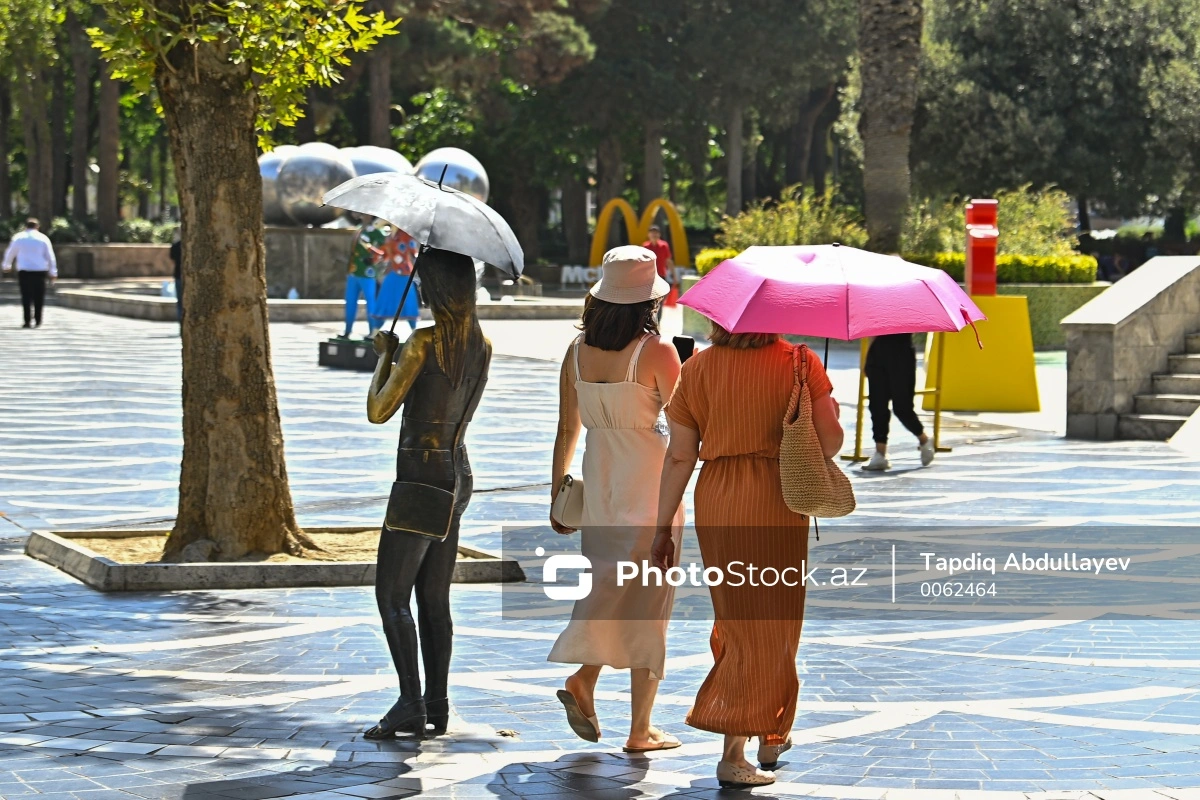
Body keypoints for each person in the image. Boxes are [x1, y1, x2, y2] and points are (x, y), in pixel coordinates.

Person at [650, 323, 843, 789]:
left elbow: (679, 456)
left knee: (738, 621)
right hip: (779, 497)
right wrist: (828, 407)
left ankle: (771, 728)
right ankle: (736, 753)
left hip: (719, 498)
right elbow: (830, 443)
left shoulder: (696, 369)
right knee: (777, 620)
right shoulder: (800, 362)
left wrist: (661, 528)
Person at [547, 245, 685, 753]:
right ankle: (638, 729)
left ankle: (587, 678)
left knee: (609, 589)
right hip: (649, 487)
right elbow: (687, 423)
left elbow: (567, 427)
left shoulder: (577, 352)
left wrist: (557, 491)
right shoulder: (657, 352)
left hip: (600, 487)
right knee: (648, 605)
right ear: (648, 301)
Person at [363, 248, 492, 740]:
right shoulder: (481, 345)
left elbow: (378, 411)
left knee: (392, 596)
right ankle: (436, 702)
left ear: (434, 288)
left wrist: (384, 359)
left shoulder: (422, 343)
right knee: (434, 598)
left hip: (419, 479)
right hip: (457, 474)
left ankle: (408, 703)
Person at [862, 334, 934, 471]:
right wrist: (869, 357)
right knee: (877, 405)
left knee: (902, 408)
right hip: (878, 352)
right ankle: (880, 453)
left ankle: (924, 439)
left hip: (901, 352)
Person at [2, 218, 57, 328]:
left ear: (26, 226)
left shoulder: (18, 237)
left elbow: (10, 253)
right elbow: (50, 256)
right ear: (37, 227)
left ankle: (27, 320)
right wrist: (53, 272)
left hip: (24, 271)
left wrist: (6, 266)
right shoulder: (43, 238)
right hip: (40, 271)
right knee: (39, 296)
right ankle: (38, 319)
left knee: (26, 296)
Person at [341, 216, 388, 340]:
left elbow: (386, 251)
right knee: (350, 302)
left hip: (367, 273)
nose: (362, 215)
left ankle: (372, 332)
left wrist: (375, 258)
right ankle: (347, 330)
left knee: (371, 303)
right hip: (353, 271)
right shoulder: (358, 230)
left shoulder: (377, 231)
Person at [372, 228, 421, 332]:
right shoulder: (389, 237)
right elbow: (384, 254)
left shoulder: (407, 235)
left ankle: (414, 331)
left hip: (405, 273)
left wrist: (421, 260)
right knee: (383, 299)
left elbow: (414, 252)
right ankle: (375, 331)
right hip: (392, 272)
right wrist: (374, 254)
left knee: (409, 301)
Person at [641, 226, 674, 320]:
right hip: (648, 278)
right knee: (648, 300)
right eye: (652, 233)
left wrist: (674, 275)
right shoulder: (645, 246)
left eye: (656, 233)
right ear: (648, 234)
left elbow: (668, 261)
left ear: (659, 234)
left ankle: (657, 322)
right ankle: (648, 320)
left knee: (659, 300)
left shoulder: (664, 246)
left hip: (661, 277)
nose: (654, 235)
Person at [169, 229, 183, 325]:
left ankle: (180, 320)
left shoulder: (175, 246)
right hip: (179, 275)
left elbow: (172, 260)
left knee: (180, 301)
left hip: (178, 275)